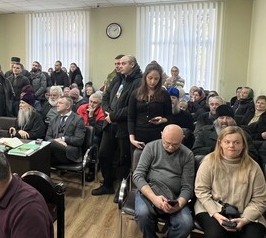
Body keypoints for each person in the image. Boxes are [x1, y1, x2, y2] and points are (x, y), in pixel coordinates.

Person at [194, 126, 266, 238]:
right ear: (220, 143)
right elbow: (201, 191)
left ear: (243, 145)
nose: (231, 146)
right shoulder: (209, 161)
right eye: (227, 142)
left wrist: (245, 219)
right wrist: (217, 214)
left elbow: (260, 199)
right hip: (212, 208)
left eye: (236, 142)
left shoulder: (253, 167)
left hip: (245, 212)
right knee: (216, 236)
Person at [134, 125, 195, 238]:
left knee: (186, 224)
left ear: (182, 139)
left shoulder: (187, 155)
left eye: (175, 144)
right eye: (167, 142)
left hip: (174, 197)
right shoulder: (151, 147)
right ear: (161, 135)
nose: (170, 147)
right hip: (150, 192)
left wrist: (179, 204)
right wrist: (154, 198)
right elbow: (138, 176)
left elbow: (188, 187)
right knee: (142, 215)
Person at [92, 55, 143, 199]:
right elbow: (105, 96)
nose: (119, 66)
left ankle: (121, 190)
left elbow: (132, 108)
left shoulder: (139, 82)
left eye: (123, 63)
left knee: (123, 159)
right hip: (110, 123)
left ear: (132, 65)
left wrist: (113, 116)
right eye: (119, 64)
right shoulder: (117, 78)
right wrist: (108, 112)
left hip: (124, 126)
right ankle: (107, 184)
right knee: (104, 154)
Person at [128, 63, 172, 153]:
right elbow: (130, 118)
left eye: (156, 79)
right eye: (150, 78)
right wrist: (132, 139)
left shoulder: (164, 94)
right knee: (138, 163)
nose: (152, 82)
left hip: (156, 134)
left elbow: (170, 116)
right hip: (138, 134)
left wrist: (163, 120)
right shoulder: (135, 93)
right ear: (145, 77)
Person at [46, 96, 86, 166]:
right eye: (57, 103)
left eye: (60, 103)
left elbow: (79, 140)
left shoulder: (78, 119)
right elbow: (48, 137)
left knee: (50, 144)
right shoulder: (54, 119)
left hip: (69, 153)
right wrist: (57, 142)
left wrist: (63, 139)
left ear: (68, 106)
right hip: (54, 150)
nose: (57, 105)